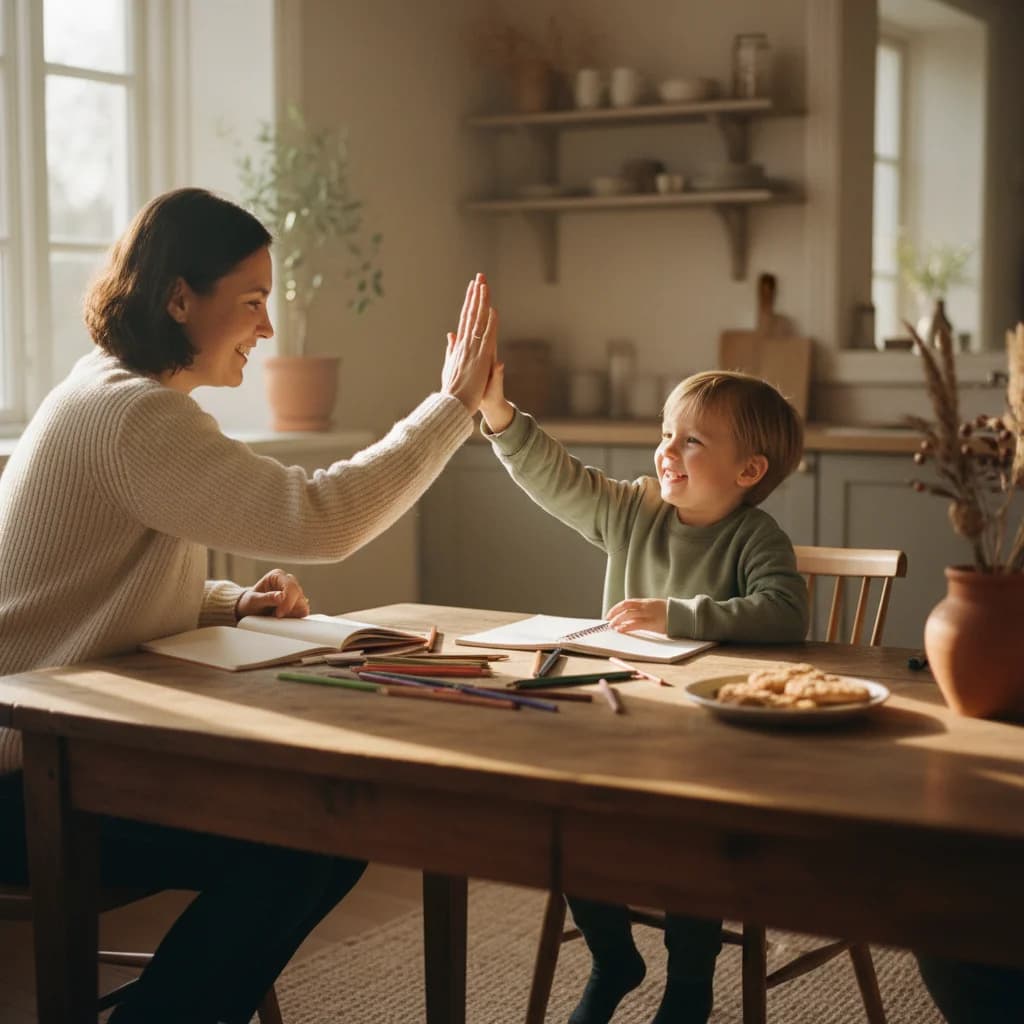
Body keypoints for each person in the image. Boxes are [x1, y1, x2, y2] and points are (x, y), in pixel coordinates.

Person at [0, 186, 497, 1024]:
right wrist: (452, 408)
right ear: (179, 299)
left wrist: (229, 605)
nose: (267, 328)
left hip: (59, 753)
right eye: (253, 302)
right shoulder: (135, 417)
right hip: (26, 783)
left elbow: (85, 590)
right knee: (315, 833)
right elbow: (321, 517)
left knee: (327, 828)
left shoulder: (105, 390)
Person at [478, 367, 808, 1024]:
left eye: (692, 441)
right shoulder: (635, 509)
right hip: (623, 723)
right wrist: (496, 412)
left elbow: (784, 613)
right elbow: (559, 479)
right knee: (565, 817)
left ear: (748, 471)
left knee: (691, 836)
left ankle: (689, 980)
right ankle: (612, 957)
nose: (666, 451)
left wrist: (677, 614)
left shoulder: (756, 537)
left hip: (710, 745)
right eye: (666, 433)